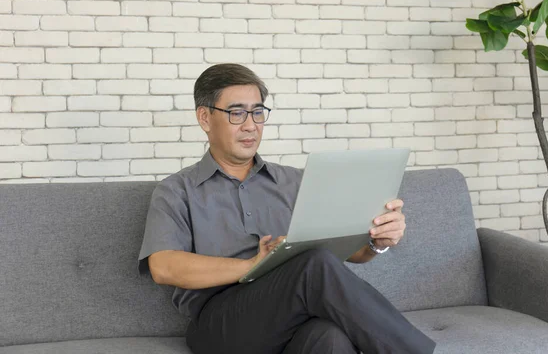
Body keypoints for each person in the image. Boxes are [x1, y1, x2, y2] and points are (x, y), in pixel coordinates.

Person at [138, 63, 437, 354]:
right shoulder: (177, 190)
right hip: (220, 325)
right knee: (313, 264)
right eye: (237, 113)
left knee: (330, 337)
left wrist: (376, 241)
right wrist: (253, 265)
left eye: (257, 112)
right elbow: (163, 266)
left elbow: (346, 254)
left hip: (291, 319)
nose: (251, 125)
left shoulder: (295, 181)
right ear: (205, 118)